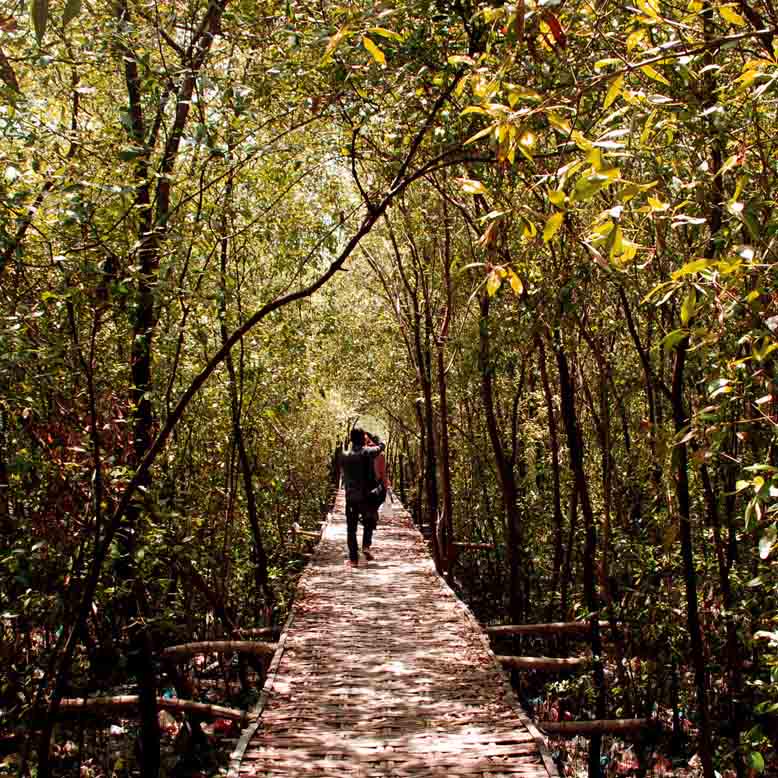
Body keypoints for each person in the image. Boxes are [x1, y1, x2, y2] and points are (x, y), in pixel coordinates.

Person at [338, 427, 385, 567]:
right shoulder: (368, 452)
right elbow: (382, 446)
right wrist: (373, 441)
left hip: (351, 497)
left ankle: (353, 560)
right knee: (369, 521)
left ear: (351, 439)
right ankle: (366, 546)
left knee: (351, 529)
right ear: (363, 438)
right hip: (367, 497)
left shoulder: (344, 455)